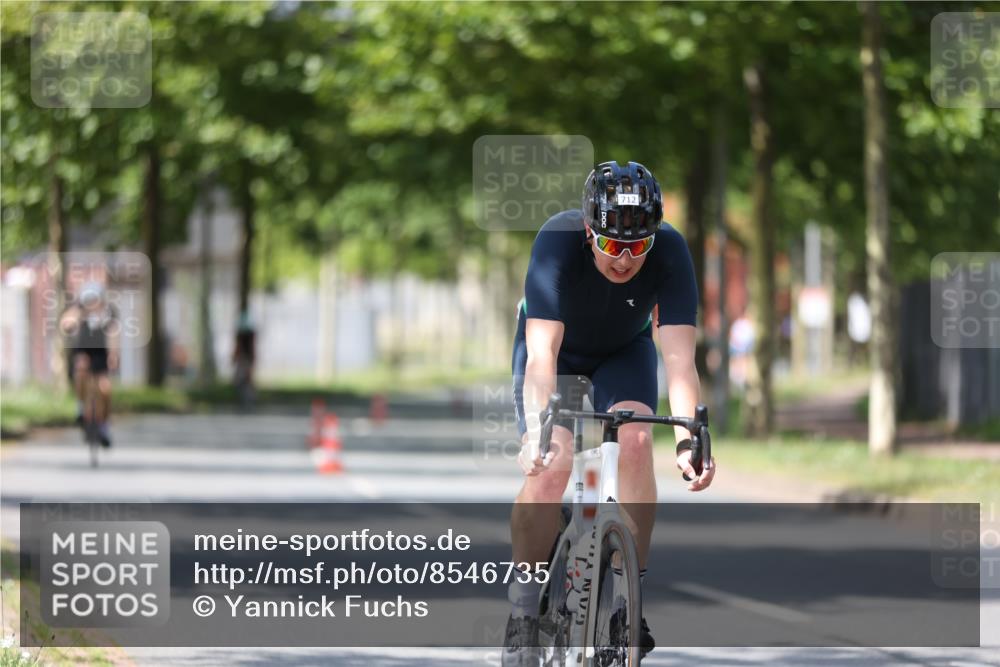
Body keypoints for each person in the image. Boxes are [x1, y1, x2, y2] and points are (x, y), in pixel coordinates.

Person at [503, 161, 717, 665]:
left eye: (638, 245)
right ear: (587, 230)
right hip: (557, 355)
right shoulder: (556, 242)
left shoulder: (672, 252)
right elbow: (541, 357)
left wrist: (690, 440)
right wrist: (537, 429)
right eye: (612, 244)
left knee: (638, 443)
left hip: (624, 352)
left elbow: (681, 362)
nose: (624, 259)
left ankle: (628, 602)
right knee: (552, 463)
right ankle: (524, 611)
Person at [60, 281, 119, 447]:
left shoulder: (108, 313)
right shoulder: (78, 310)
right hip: (83, 351)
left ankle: (104, 426)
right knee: (80, 369)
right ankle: (80, 407)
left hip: (101, 353)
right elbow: (66, 324)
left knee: (105, 389)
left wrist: (113, 354)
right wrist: (75, 318)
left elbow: (114, 333)